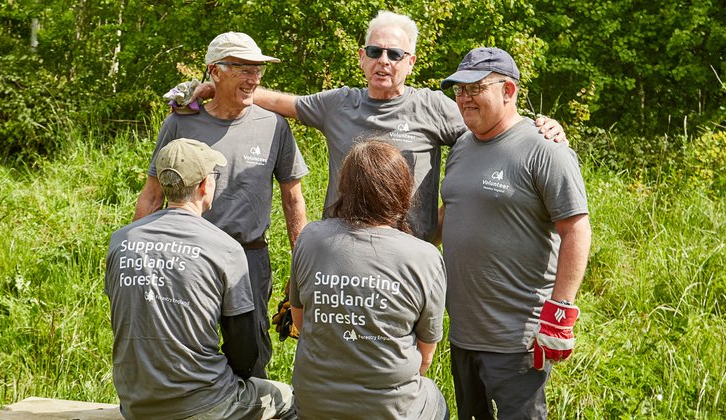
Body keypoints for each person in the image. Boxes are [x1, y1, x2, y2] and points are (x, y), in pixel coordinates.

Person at [191, 11, 565, 242]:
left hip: (409, 252)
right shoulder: (337, 104)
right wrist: (218, 87)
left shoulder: (434, 107)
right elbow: (284, 103)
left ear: (411, 62)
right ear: (362, 58)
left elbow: (493, 131)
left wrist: (538, 127)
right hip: (340, 247)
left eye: (394, 54)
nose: (383, 61)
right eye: (374, 52)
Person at [134, 32, 309, 379]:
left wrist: (300, 267)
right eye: (244, 69)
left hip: (249, 259)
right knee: (183, 350)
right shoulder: (181, 123)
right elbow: (153, 193)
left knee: (250, 356)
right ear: (215, 72)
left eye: (257, 69)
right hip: (186, 258)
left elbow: (293, 198)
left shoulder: (273, 125)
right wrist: (137, 255)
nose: (254, 78)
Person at [438, 47, 592, 419]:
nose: (464, 98)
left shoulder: (544, 149)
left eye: (476, 88)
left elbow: (576, 228)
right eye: (459, 90)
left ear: (509, 90)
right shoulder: (462, 146)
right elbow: (450, 216)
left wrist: (561, 311)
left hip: (515, 341)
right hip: (462, 333)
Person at [105, 138, 296, 419]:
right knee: (291, 399)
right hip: (203, 403)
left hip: (135, 403)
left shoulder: (122, 240)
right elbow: (244, 349)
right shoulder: (224, 248)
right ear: (206, 185)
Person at [288, 140, 448, 419]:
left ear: (345, 188)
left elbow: (301, 323)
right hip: (390, 409)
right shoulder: (425, 257)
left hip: (314, 403)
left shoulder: (310, 238)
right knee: (435, 397)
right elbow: (426, 356)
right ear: (402, 190)